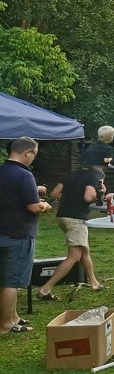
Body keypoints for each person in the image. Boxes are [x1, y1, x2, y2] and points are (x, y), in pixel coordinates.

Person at [1, 137, 52, 334]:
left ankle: (13, 317)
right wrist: (44, 205)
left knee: (3, 278)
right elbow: (33, 206)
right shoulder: (24, 175)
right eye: (34, 155)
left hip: (2, 230)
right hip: (18, 234)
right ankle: (6, 325)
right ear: (27, 153)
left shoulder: (2, 170)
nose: (33, 159)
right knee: (11, 281)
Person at [38, 166, 107, 300]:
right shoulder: (93, 177)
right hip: (76, 218)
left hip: (62, 216)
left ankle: (94, 282)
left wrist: (71, 197)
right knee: (74, 256)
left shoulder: (72, 174)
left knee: (84, 250)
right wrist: (101, 192)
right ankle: (45, 289)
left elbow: (54, 194)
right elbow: (89, 198)